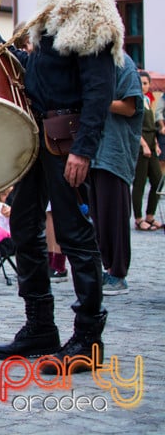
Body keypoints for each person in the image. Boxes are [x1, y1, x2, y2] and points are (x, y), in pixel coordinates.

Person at [0, 0, 122, 374]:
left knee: (76, 237)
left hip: (65, 138)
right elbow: (38, 73)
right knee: (23, 228)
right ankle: (40, 326)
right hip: (36, 135)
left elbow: (99, 87)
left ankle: (87, 340)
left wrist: (84, 149)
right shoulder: (49, 9)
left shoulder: (87, 5)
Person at [89, 56, 143, 295]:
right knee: (98, 217)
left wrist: (98, 102)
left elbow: (130, 107)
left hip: (114, 151)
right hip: (94, 151)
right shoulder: (94, 62)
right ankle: (106, 267)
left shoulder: (124, 64)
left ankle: (118, 274)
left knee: (115, 216)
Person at [131, 71, 162, 231]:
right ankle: (138, 218)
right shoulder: (135, 101)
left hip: (151, 143)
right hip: (141, 144)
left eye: (145, 83)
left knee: (158, 180)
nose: (143, 86)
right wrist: (143, 145)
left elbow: (152, 126)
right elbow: (134, 128)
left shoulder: (148, 100)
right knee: (140, 183)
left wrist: (155, 143)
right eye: (141, 83)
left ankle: (150, 215)